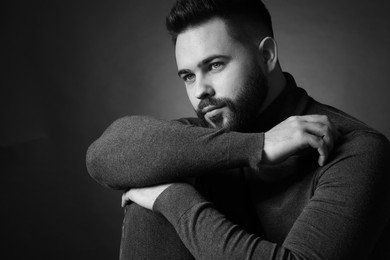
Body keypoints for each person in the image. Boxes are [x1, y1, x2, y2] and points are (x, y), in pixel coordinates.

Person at [86, 0, 390, 259]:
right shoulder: (203, 138)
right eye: (188, 76)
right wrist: (258, 146)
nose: (200, 90)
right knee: (150, 181)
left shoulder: (358, 149)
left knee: (158, 186)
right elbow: (103, 155)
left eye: (215, 65)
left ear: (267, 56)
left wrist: (172, 198)